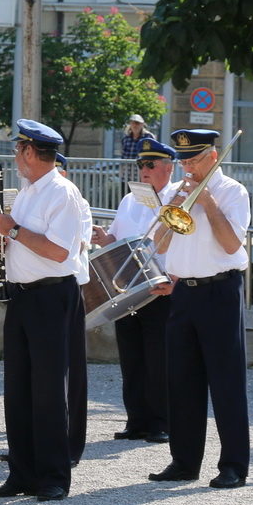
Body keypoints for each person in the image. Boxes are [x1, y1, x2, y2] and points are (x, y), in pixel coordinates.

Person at [0, 120, 86, 502]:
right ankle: (22, 473)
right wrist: (1, 244)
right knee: (19, 388)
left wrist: (11, 231)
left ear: (29, 152)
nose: (15, 157)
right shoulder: (28, 192)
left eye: (17, 150)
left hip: (52, 297)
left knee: (48, 390)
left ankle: (54, 475)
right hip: (23, 295)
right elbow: (24, 240)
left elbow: (60, 252)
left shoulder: (62, 192)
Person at [148, 129, 251, 490]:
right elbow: (160, 243)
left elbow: (230, 244)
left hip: (220, 290)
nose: (187, 167)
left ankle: (234, 465)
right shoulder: (179, 191)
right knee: (182, 381)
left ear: (213, 156)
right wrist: (168, 210)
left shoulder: (232, 191)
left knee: (226, 382)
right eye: (184, 161)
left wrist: (207, 201)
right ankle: (184, 461)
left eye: (193, 160)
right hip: (184, 291)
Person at [91, 138, 180, 443]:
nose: (144, 170)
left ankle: (162, 422)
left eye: (151, 165)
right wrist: (104, 239)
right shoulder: (130, 199)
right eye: (141, 164)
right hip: (127, 287)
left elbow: (183, 243)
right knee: (131, 357)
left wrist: (176, 279)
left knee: (159, 358)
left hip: (159, 286)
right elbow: (119, 237)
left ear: (168, 168)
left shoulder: (178, 199)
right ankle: (136, 420)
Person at [55, 152, 92, 466]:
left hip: (67, 288)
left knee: (69, 372)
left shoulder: (74, 201)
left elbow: (77, 243)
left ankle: (71, 443)